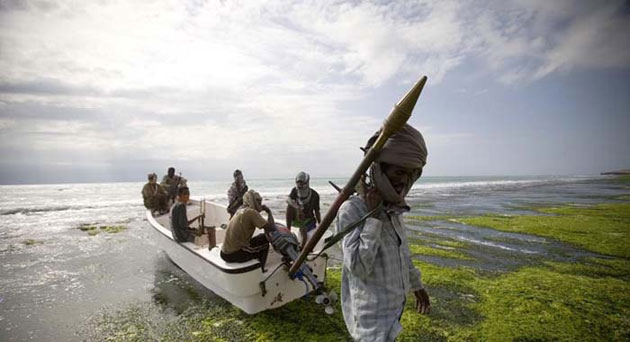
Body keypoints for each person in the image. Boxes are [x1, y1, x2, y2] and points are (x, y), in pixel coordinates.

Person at [336, 124, 431, 341]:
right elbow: (359, 268)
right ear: (380, 169)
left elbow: (402, 253)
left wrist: (417, 285)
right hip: (371, 322)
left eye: (410, 174)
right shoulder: (352, 210)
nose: (404, 180)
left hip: (394, 313)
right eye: (398, 172)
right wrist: (373, 219)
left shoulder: (394, 208)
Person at [221, 190, 275, 272]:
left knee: (261, 237)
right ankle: (261, 270)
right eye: (258, 201)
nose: (260, 203)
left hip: (224, 252)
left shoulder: (240, 210)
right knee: (265, 243)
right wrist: (269, 212)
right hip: (234, 254)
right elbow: (271, 227)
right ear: (252, 200)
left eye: (260, 201)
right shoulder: (251, 212)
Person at [286, 171, 321, 249]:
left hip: (308, 221)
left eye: (301, 183)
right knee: (290, 206)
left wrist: (320, 224)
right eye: (298, 183)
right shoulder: (294, 191)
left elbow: (317, 211)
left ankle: (302, 248)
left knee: (306, 238)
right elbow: (289, 200)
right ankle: (288, 232)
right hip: (297, 218)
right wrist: (298, 209)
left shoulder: (315, 195)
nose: (299, 185)